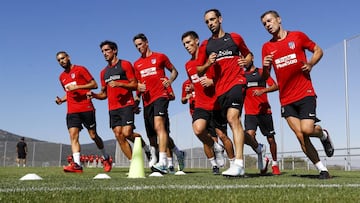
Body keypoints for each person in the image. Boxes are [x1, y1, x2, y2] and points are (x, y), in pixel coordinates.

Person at [260, 10, 334, 179]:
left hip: (305, 92)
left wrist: (310, 64)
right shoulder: (267, 47)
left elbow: (318, 50)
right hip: (286, 99)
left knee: (307, 129)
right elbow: (265, 77)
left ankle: (323, 134)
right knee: (300, 136)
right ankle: (323, 170)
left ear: (279, 19)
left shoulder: (298, 36)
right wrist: (265, 67)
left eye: (269, 21)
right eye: (264, 24)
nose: (268, 25)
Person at [197, 9, 252, 177]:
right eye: (207, 21)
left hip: (237, 82)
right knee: (231, 123)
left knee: (232, 118)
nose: (210, 23)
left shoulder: (235, 37)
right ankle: (253, 150)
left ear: (220, 19)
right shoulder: (206, 46)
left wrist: (247, 60)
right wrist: (208, 64)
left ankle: (239, 163)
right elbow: (199, 70)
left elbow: (249, 54)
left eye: (212, 19)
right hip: (220, 90)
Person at [89, 40, 151, 163]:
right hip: (112, 108)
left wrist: (118, 84)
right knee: (118, 135)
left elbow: (134, 85)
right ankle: (134, 163)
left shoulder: (125, 64)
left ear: (114, 50)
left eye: (107, 50)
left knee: (127, 133)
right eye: (102, 51)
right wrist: (94, 95)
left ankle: (146, 148)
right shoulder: (103, 73)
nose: (104, 53)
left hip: (127, 105)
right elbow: (104, 94)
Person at [133, 33, 185, 174]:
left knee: (159, 126)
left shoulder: (160, 57)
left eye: (140, 44)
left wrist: (170, 80)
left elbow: (174, 71)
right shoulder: (136, 64)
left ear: (147, 42)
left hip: (161, 96)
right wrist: (137, 97)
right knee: (153, 135)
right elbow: (138, 84)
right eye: (136, 46)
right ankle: (178, 153)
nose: (138, 47)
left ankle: (162, 162)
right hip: (147, 101)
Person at [182, 31, 232, 174]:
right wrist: (192, 87)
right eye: (184, 44)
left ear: (197, 41)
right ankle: (215, 149)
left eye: (188, 42)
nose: (186, 46)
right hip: (201, 104)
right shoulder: (188, 65)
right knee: (198, 129)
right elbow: (194, 81)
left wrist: (212, 81)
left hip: (216, 103)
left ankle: (234, 163)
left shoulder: (211, 57)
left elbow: (223, 77)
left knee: (222, 135)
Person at [55, 51, 112, 173]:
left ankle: (106, 158)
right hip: (72, 111)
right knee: (73, 135)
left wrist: (77, 87)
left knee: (93, 136)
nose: (61, 61)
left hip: (86, 108)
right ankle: (77, 165)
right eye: (59, 60)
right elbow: (69, 93)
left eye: (63, 58)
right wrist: (61, 100)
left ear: (68, 57)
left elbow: (94, 84)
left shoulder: (80, 69)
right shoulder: (61, 77)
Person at [244, 52, 280, 175]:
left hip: (264, 111)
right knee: (247, 137)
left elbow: (275, 86)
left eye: (245, 57)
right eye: (241, 58)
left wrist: (263, 90)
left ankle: (275, 164)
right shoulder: (241, 76)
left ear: (252, 57)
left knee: (271, 139)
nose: (243, 60)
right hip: (249, 113)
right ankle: (261, 150)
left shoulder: (261, 72)